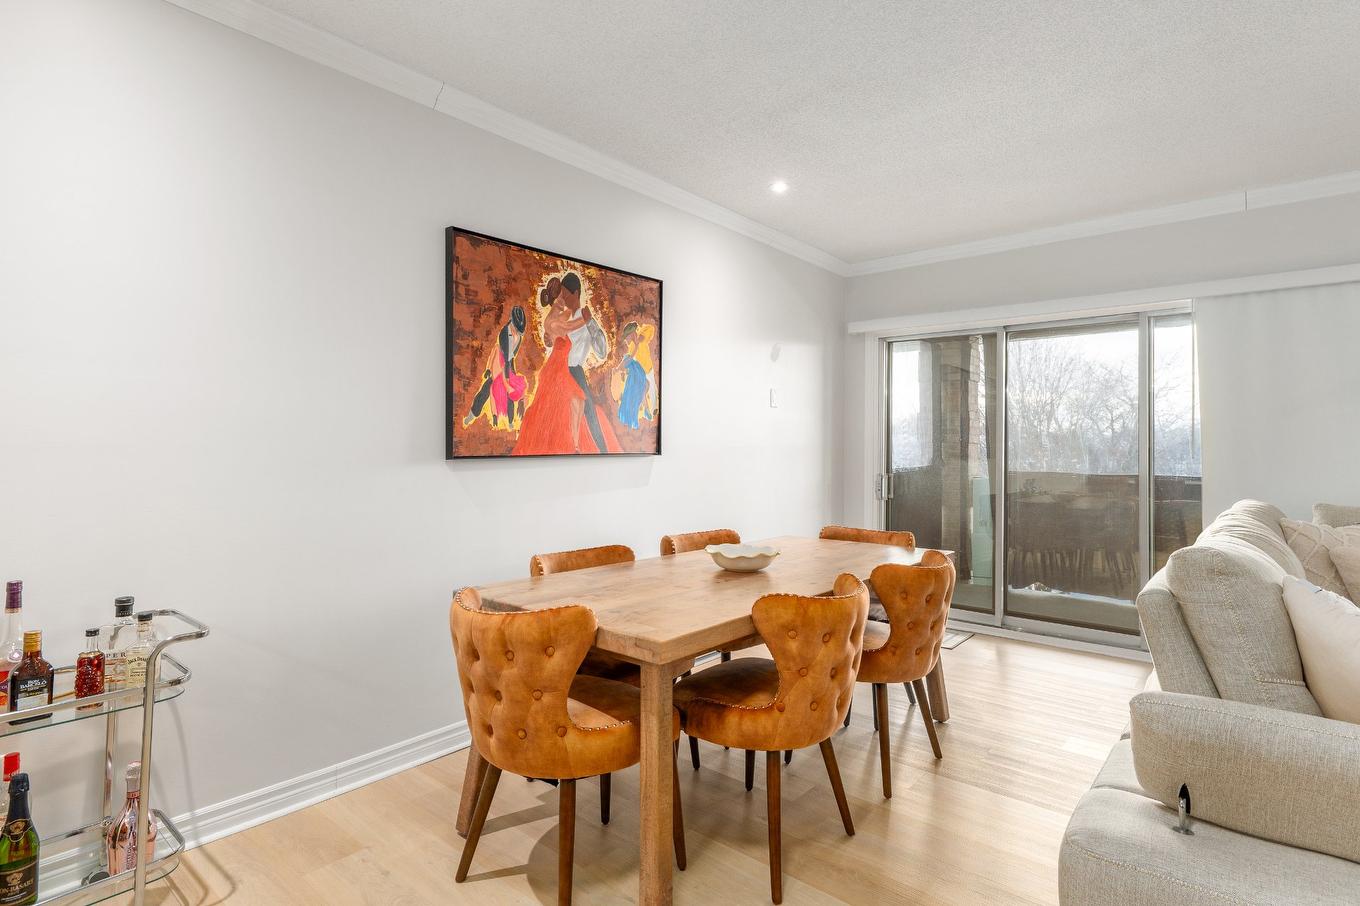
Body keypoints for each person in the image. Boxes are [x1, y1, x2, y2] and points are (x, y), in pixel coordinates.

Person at [512, 274, 621, 455]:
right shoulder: (565, 316)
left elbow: (602, 351)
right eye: (560, 295)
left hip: (574, 371)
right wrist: (550, 338)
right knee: (555, 413)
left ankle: (600, 450)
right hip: (561, 370)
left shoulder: (585, 317)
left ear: (576, 293)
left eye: (565, 294)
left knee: (588, 412)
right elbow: (554, 333)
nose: (562, 299)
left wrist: (591, 322)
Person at [462, 306, 527, 430]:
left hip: (509, 364)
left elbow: (512, 357)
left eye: (520, 331)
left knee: (510, 394)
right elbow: (505, 357)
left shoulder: (519, 337)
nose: (517, 333)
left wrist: (510, 377)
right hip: (499, 362)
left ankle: (510, 422)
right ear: (511, 321)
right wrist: (504, 378)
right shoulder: (504, 333)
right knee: (486, 390)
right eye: (516, 329)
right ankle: (471, 415)